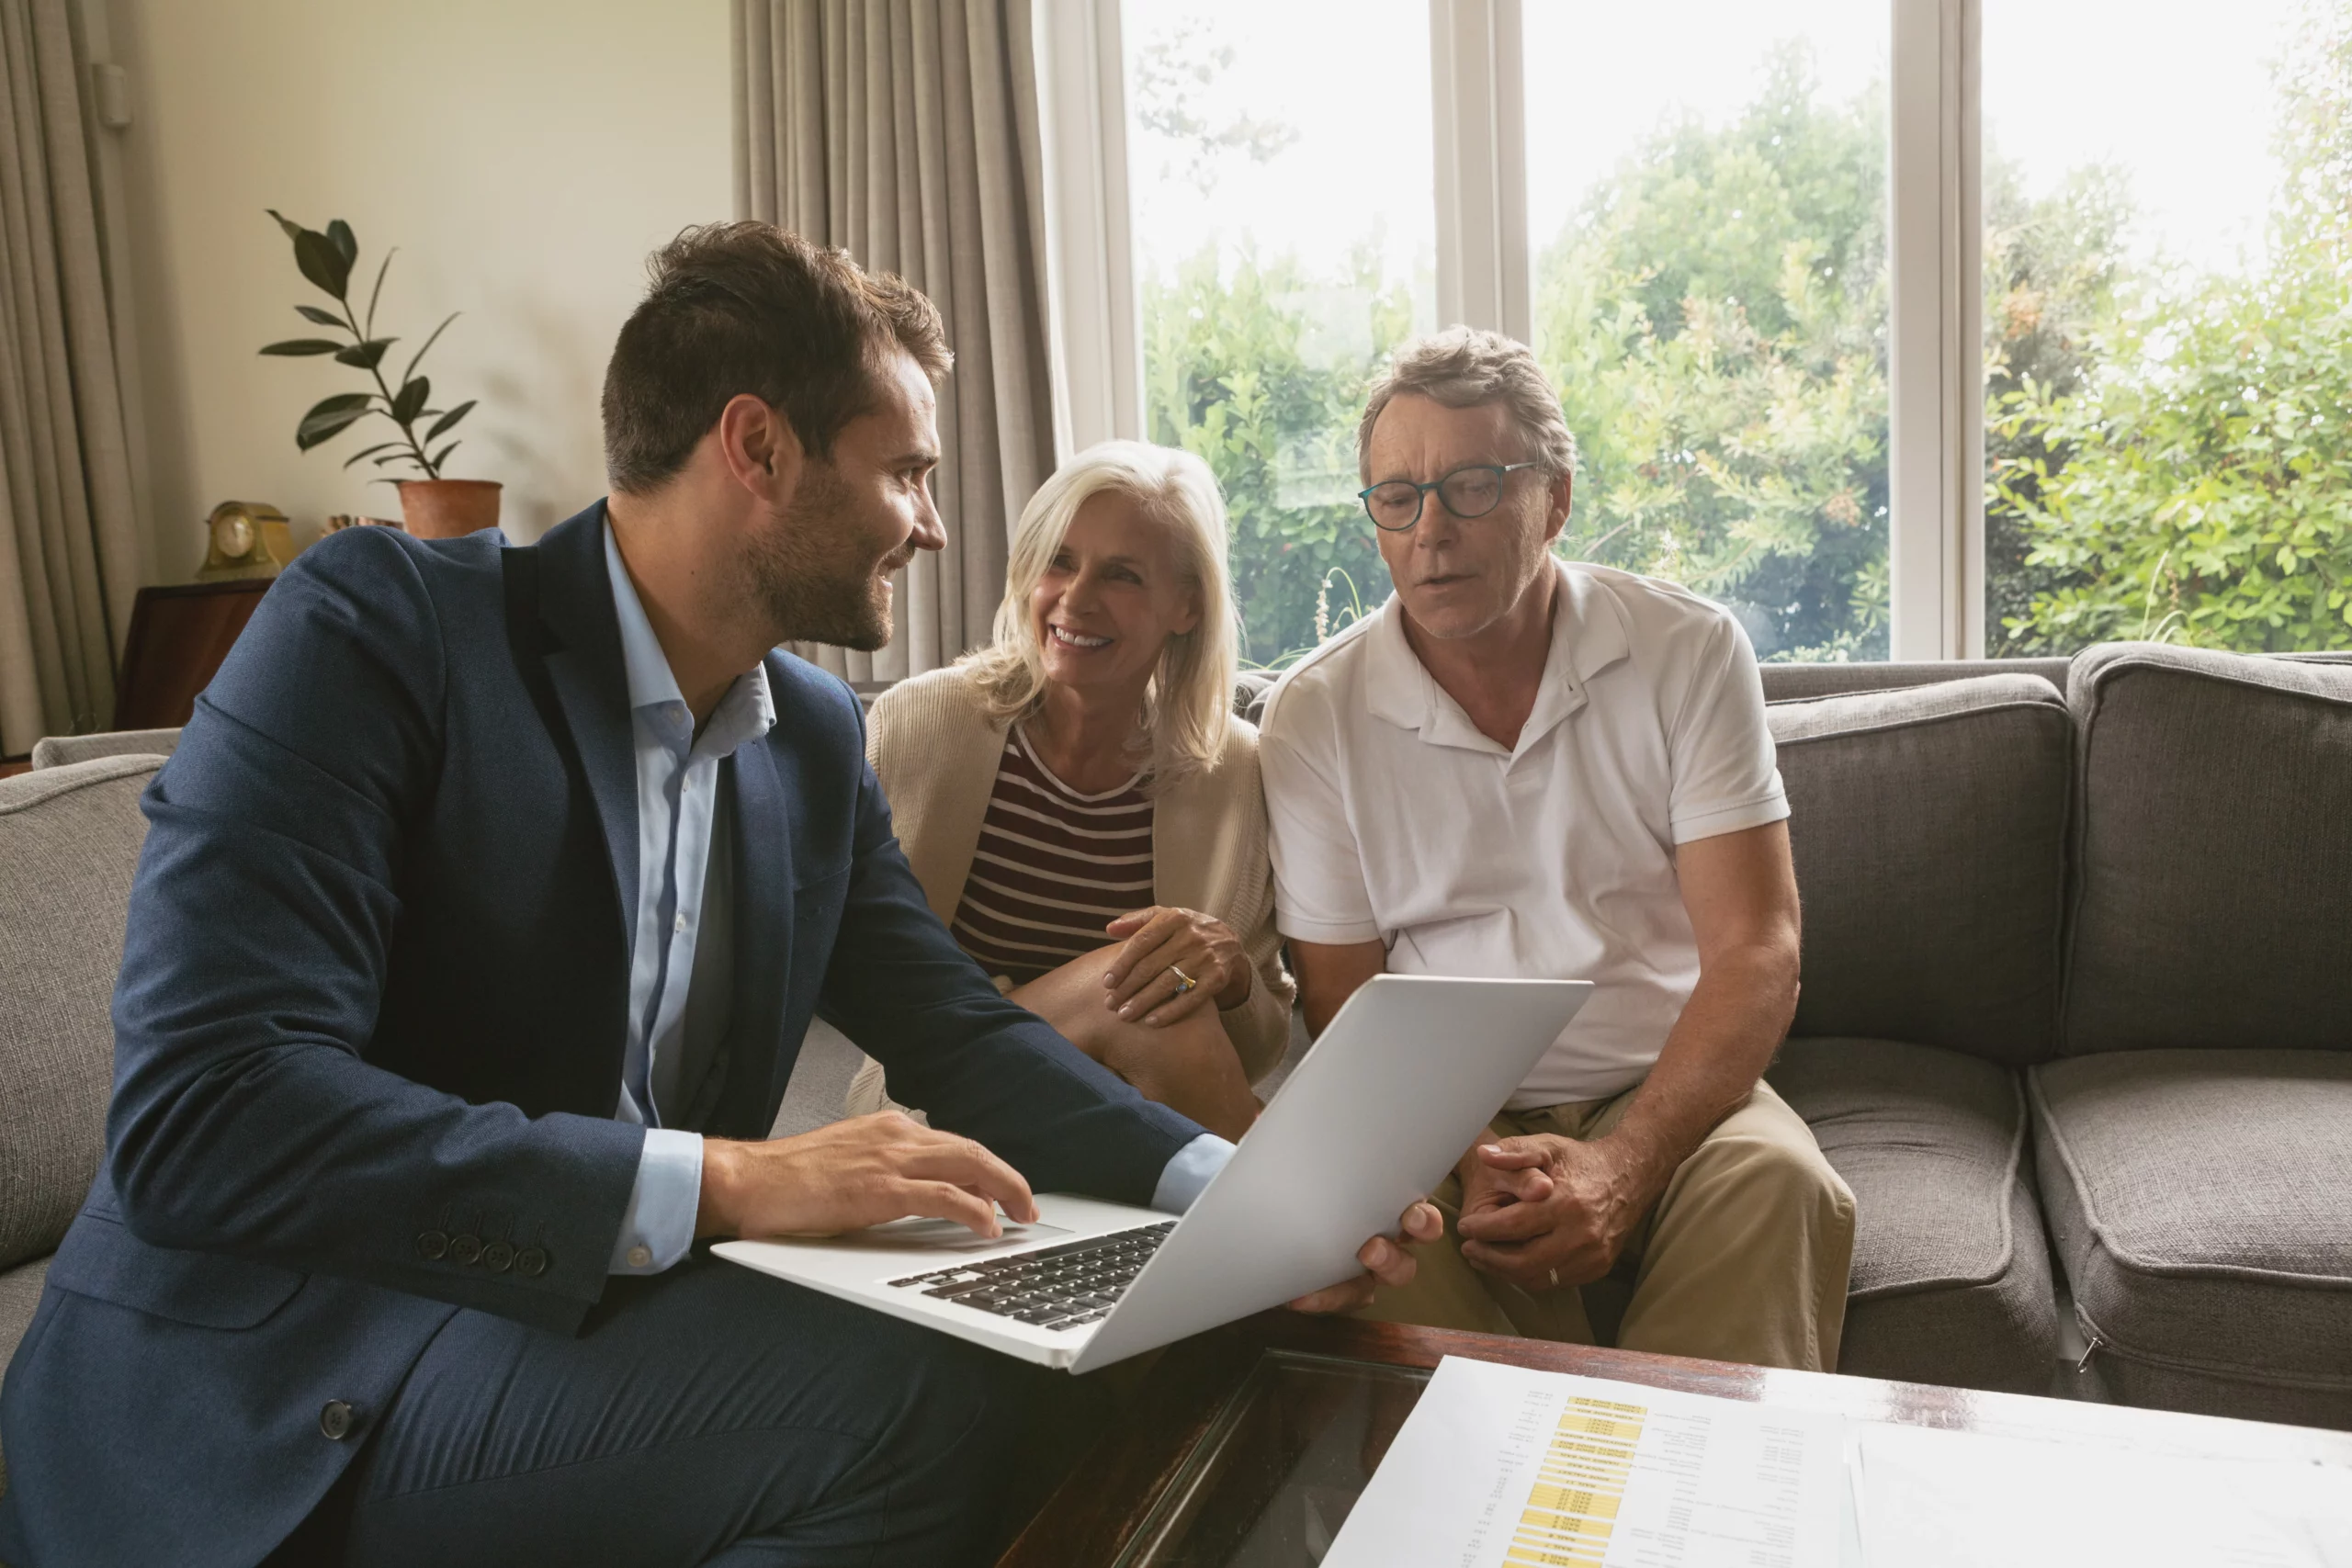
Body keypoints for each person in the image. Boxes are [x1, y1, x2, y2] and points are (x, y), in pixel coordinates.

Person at [0, 224, 1435, 1568]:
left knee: (1151, 1329)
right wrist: (732, 1181)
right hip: (291, 1371)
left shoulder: (806, 736)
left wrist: (1241, 1198)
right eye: (905, 471)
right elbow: (211, 1110)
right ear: (756, 445)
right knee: (909, 1393)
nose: (932, 526)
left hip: (572, 1320)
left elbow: (960, 1028)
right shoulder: (379, 631)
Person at [1257, 327, 1855, 1373]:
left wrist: (1622, 1165)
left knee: (1783, 1183)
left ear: (1556, 500)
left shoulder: (1686, 649)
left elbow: (1758, 949)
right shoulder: (1315, 713)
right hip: (1430, 1106)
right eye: (1396, 497)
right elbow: (1343, 1003)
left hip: (1659, 1082)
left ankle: (1671, 1517)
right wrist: (1480, 1153)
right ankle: (1499, 1511)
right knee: (1349, 1225)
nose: (1430, 530)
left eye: (1472, 486)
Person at [842, 441, 1291, 1143]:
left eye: (1122, 575)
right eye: (1059, 560)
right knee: (1142, 980)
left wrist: (1231, 972)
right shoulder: (919, 724)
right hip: (938, 1103)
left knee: (1160, 992)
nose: (1075, 598)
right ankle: (1307, 1221)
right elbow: (858, 974)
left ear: (1188, 605)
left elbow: (1257, 1051)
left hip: (1141, 1119)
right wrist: (1089, 1007)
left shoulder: (1235, 772)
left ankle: (1296, 1216)